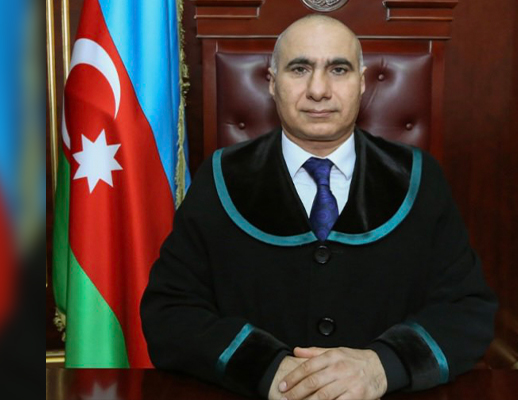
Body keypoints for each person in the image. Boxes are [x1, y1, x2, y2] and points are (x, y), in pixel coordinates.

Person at [140, 14, 497, 400]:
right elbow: (170, 312)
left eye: (338, 69)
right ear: (272, 82)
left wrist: (382, 366)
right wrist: (266, 368)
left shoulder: (418, 178)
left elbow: (467, 309)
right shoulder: (220, 178)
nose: (318, 90)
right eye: (300, 69)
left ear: (362, 82)